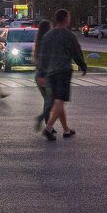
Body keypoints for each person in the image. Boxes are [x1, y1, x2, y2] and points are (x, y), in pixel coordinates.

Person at [36, 9, 87, 141]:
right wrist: (83, 65)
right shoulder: (69, 35)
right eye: (69, 17)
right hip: (63, 71)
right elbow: (77, 52)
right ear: (66, 19)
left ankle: (66, 130)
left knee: (59, 100)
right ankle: (48, 128)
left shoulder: (47, 36)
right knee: (60, 100)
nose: (70, 19)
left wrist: (41, 73)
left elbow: (43, 56)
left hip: (50, 73)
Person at [31, 20, 53, 132]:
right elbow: (44, 61)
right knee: (52, 102)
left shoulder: (39, 41)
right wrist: (43, 76)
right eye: (51, 27)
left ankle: (49, 125)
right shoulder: (46, 42)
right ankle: (42, 119)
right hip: (44, 76)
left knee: (48, 101)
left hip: (39, 75)